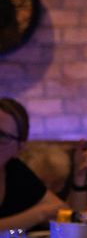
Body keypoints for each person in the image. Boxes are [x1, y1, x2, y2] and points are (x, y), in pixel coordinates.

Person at [0, 98, 63, 230]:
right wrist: (40, 214)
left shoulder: (14, 169)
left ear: (19, 148)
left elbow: (60, 211)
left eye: (2, 136)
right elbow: (48, 211)